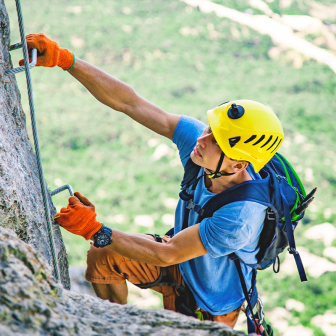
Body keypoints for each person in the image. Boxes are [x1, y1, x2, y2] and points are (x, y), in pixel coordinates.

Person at [21, 33, 284, 329]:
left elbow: (167, 253)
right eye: (210, 129)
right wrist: (66, 60)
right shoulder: (203, 151)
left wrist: (93, 228)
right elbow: (129, 103)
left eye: (216, 140)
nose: (203, 138)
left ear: (238, 164)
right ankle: (113, 326)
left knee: (104, 241)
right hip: (181, 262)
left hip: (209, 303)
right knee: (103, 254)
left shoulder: (241, 216)